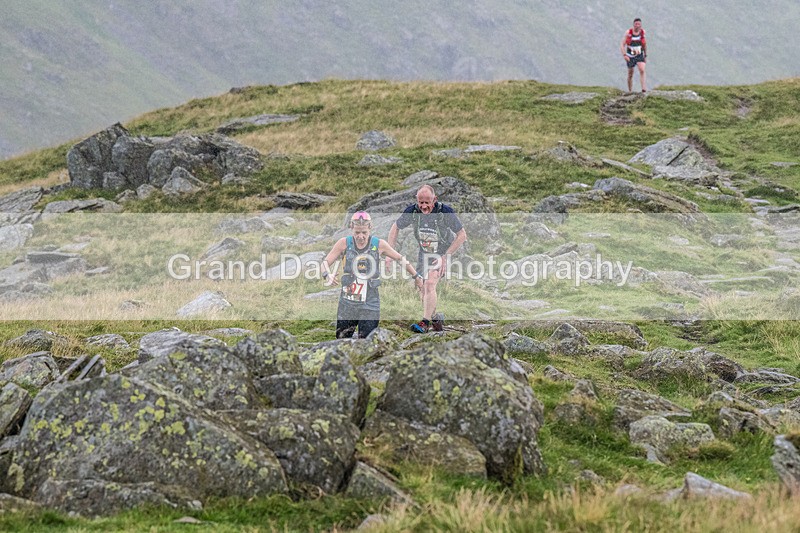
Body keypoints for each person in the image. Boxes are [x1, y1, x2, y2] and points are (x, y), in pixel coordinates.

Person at [321, 211, 423, 339]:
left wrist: (416, 276)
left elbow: (400, 258)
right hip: (348, 300)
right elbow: (325, 262)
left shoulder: (378, 244)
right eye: (357, 233)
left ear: (370, 228)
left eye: (364, 233)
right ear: (351, 228)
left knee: (368, 340)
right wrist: (327, 274)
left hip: (371, 300)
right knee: (342, 339)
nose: (361, 237)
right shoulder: (344, 243)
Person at [386, 184, 467, 333]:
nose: (423, 206)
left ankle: (424, 323)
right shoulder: (412, 211)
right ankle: (435, 318)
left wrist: (445, 257)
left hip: (441, 253)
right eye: (420, 202)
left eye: (427, 203)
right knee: (422, 289)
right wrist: (390, 253)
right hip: (424, 253)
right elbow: (395, 227)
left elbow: (462, 234)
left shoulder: (445, 212)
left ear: (434, 199)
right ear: (417, 200)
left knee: (430, 284)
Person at [620, 17, 647, 93]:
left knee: (642, 70)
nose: (637, 26)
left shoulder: (642, 33)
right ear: (633, 25)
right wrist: (624, 55)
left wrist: (645, 55)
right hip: (630, 56)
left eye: (639, 24)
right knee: (630, 74)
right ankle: (630, 90)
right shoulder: (628, 33)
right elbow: (622, 44)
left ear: (641, 25)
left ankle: (643, 89)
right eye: (636, 24)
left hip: (639, 54)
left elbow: (644, 44)